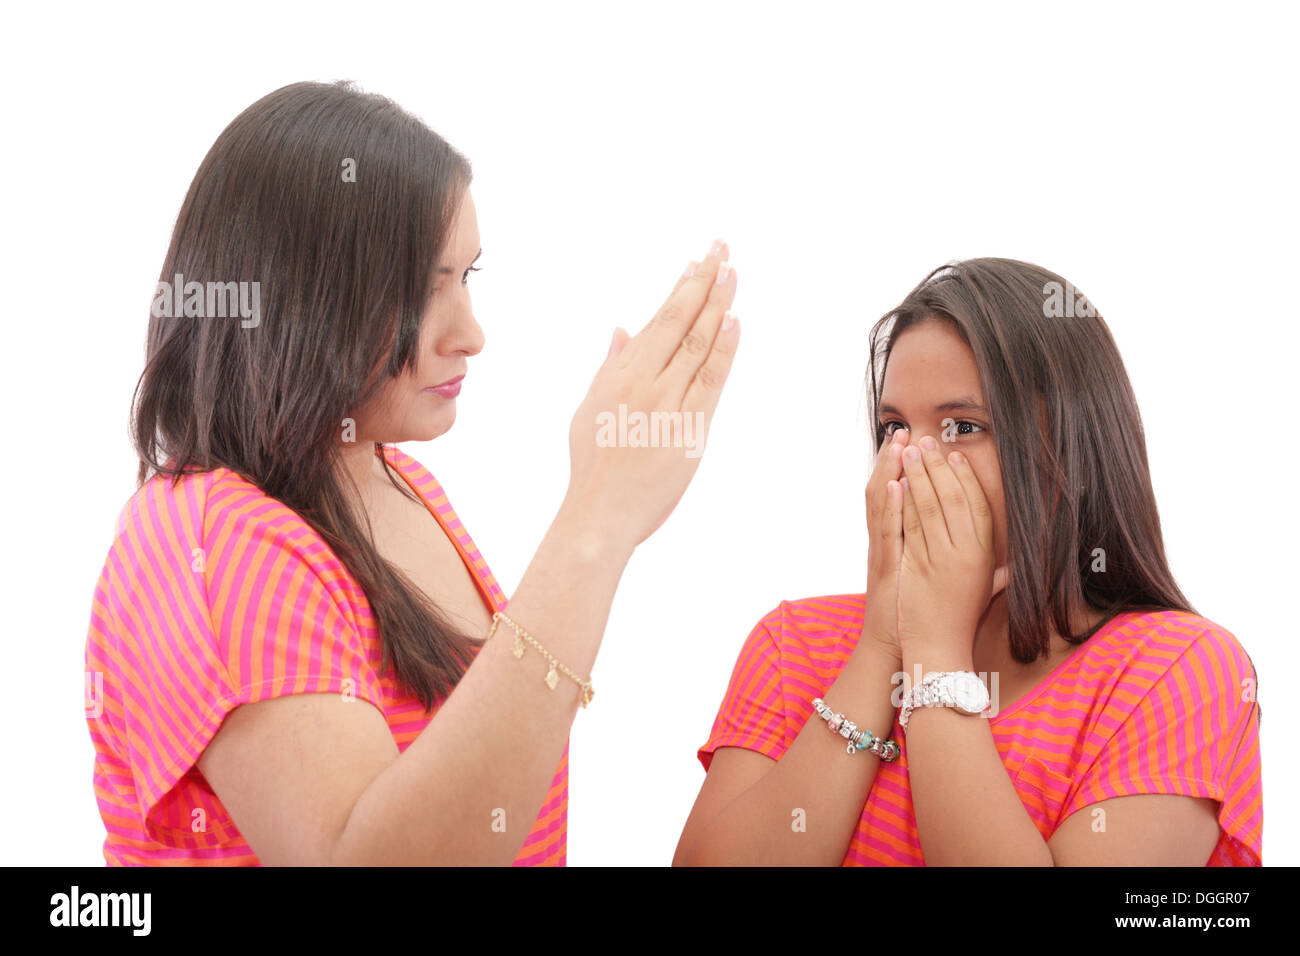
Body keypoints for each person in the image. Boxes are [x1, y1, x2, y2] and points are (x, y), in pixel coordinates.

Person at [83, 80, 740, 865]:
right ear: (302, 298)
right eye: (425, 289)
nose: (472, 334)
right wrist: (595, 521)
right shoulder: (204, 539)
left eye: (468, 277)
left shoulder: (396, 480)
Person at [676, 258, 1262, 866]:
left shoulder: (1177, 670)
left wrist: (935, 652)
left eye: (962, 425)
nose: (912, 460)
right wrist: (882, 645)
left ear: (1067, 452)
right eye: (895, 426)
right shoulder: (793, 643)